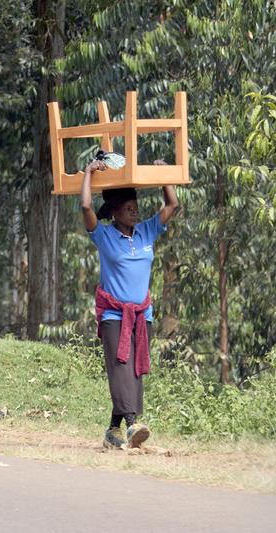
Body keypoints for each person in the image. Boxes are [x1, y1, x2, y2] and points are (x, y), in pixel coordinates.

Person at [80, 159, 179, 449]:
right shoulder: (105, 236)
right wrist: (88, 172)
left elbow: (171, 205)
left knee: (135, 369)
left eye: (135, 206)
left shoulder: (147, 232)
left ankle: (113, 429)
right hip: (113, 314)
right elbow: (86, 208)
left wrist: (163, 176)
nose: (135, 210)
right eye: (128, 208)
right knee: (120, 367)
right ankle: (133, 423)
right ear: (114, 212)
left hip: (141, 314)